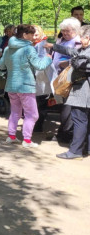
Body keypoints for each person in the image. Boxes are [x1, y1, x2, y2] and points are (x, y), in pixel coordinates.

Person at [0, 24, 53, 148]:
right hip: (26, 87)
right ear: (24, 35)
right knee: (32, 114)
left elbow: (1, 65)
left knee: (15, 112)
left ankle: (11, 136)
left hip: (11, 86)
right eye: (31, 34)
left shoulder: (7, 49)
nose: (33, 36)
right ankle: (27, 140)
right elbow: (39, 65)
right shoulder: (29, 49)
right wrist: (48, 59)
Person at [46, 25, 90, 159]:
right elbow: (71, 51)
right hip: (82, 90)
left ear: (88, 37)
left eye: (82, 37)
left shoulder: (87, 52)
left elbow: (80, 64)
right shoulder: (84, 49)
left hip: (83, 91)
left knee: (79, 120)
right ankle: (86, 148)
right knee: (85, 120)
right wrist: (53, 46)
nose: (80, 40)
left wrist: (72, 61)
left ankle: (75, 151)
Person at [53, 17, 82, 142]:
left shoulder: (78, 41)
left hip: (70, 80)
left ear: (75, 30)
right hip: (60, 78)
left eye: (67, 31)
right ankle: (63, 133)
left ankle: (66, 135)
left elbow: (78, 57)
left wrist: (65, 63)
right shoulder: (63, 40)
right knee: (63, 107)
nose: (64, 33)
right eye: (63, 30)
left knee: (67, 108)